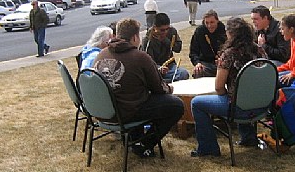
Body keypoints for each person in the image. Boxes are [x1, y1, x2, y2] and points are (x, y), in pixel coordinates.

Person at [93, 18, 184, 158]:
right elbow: (158, 89)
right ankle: (144, 143)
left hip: (103, 112)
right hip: (126, 112)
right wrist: (169, 89)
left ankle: (133, 139)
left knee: (137, 98)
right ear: (135, 37)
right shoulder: (140, 57)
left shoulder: (101, 54)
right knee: (176, 105)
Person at [190, 17, 264, 157]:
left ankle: (207, 148)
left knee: (196, 103)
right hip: (262, 106)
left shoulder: (229, 54)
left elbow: (218, 87)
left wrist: (227, 95)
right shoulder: (260, 51)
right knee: (242, 93)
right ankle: (248, 137)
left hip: (239, 108)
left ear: (230, 34)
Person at [141, 13, 189, 82]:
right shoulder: (147, 39)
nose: (165, 32)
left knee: (184, 73)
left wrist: (166, 41)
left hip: (170, 67)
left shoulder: (172, 32)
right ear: (155, 28)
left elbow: (178, 49)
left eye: (167, 29)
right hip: (154, 69)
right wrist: (159, 68)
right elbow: (147, 61)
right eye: (162, 30)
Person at [189, 9, 227, 78]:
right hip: (205, 63)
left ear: (217, 21)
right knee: (198, 71)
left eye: (212, 22)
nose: (209, 26)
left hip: (221, 63)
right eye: (207, 23)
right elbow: (193, 52)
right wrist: (197, 63)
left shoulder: (223, 30)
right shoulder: (199, 31)